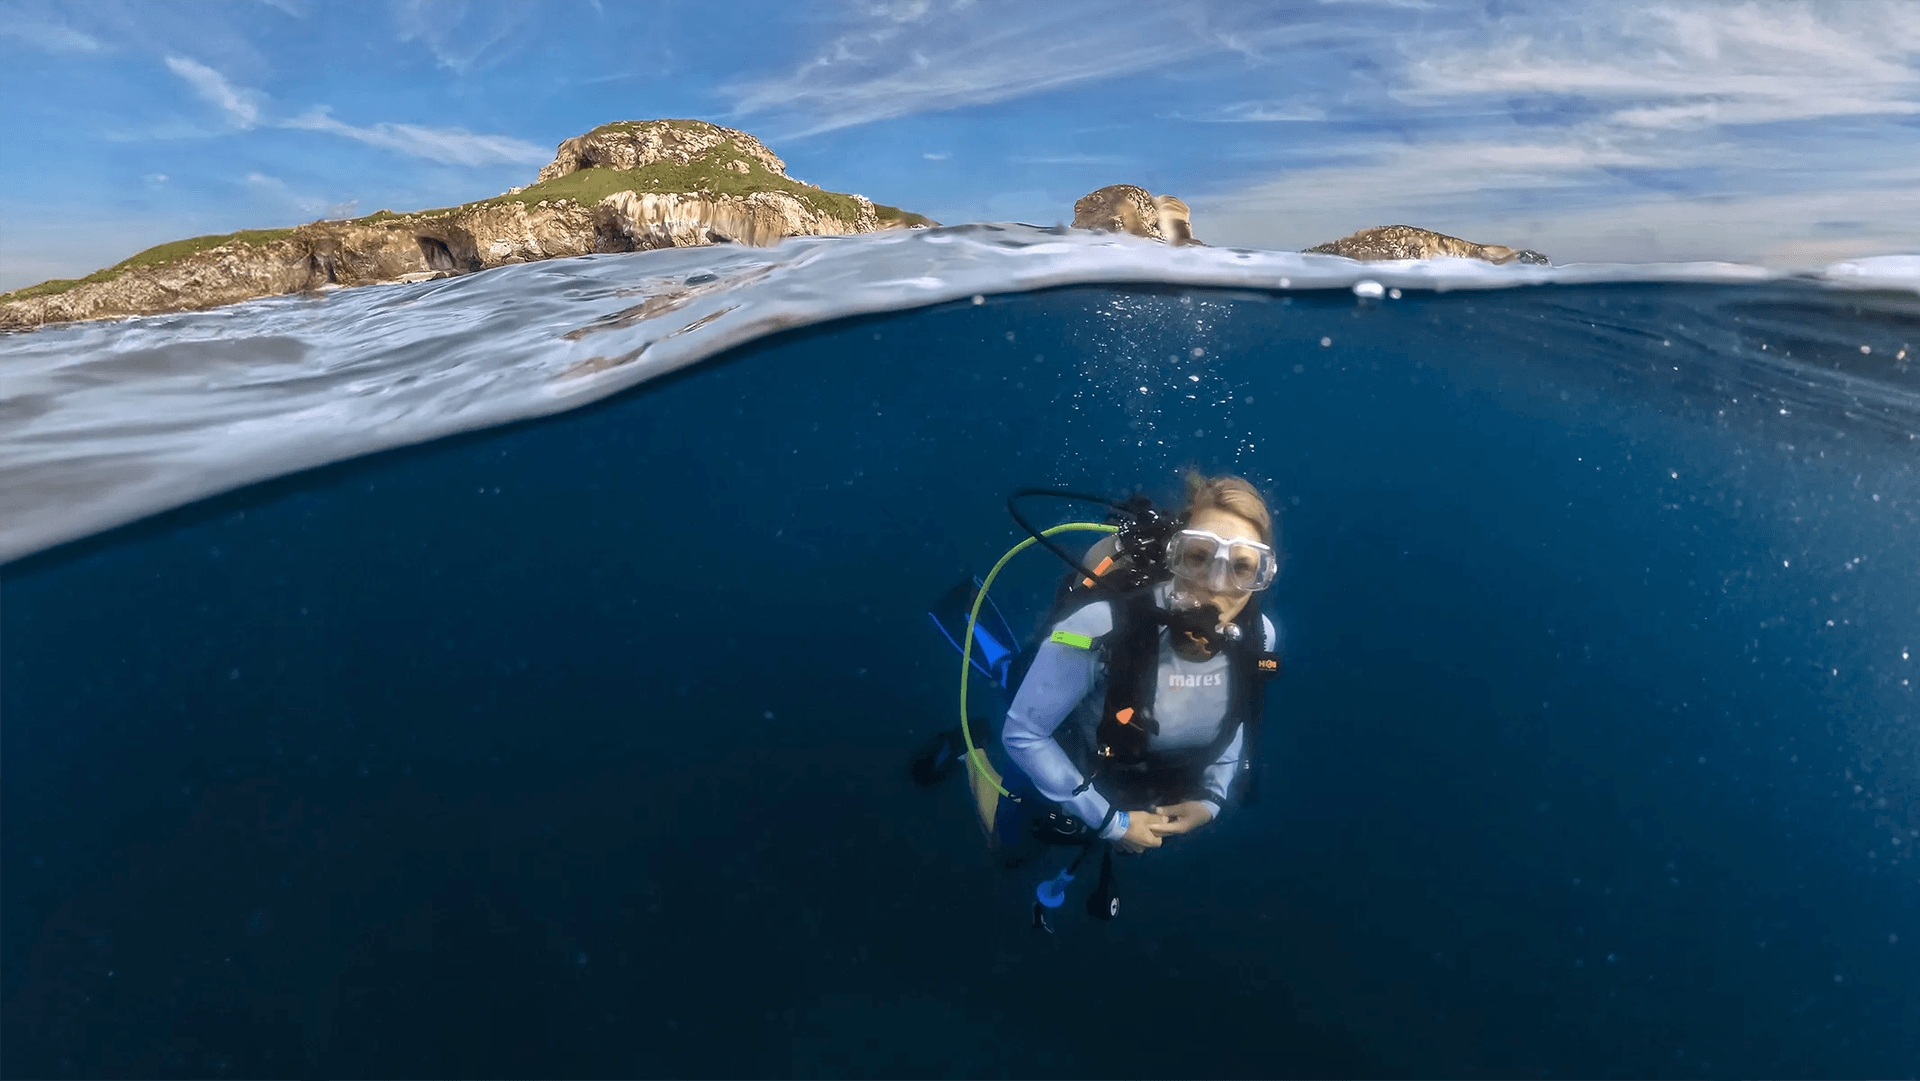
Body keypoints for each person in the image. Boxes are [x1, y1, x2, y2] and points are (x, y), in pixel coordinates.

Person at [1001, 474, 1281, 855]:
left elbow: (1235, 718)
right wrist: (1110, 822)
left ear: (1262, 575)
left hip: (1152, 786)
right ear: (1174, 555)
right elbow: (1025, 733)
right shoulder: (1103, 624)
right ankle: (1002, 673)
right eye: (1198, 556)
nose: (1217, 586)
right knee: (1015, 851)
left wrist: (1211, 798)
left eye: (1243, 567)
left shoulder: (1259, 636)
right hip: (1083, 771)